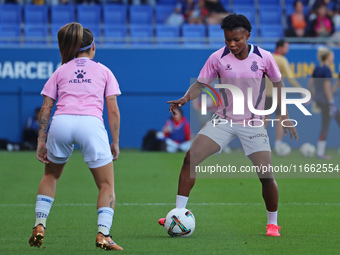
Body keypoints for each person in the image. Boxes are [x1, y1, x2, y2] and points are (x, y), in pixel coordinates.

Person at [158, 14, 298, 237]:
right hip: (223, 120)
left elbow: (278, 84)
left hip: (253, 123)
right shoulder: (217, 58)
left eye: (236, 39)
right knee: (190, 158)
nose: (231, 44)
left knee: (266, 176)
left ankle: (272, 223)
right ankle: (178, 212)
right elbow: (200, 84)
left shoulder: (264, 57)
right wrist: (184, 99)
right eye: (227, 40)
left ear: (248, 35)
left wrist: (284, 114)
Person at [28, 23, 123, 251]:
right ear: (92, 47)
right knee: (106, 184)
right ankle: (103, 235)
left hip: (61, 122)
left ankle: (39, 226)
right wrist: (115, 141)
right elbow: (113, 110)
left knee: (51, 176)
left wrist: (41, 140)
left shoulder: (60, 70)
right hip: (90, 124)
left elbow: (46, 107)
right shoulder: (104, 70)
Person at [265, 39, 302, 154]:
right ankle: (278, 146)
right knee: (281, 120)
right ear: (280, 48)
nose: (288, 49)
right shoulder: (282, 60)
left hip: (265, 93)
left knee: (264, 121)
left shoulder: (267, 57)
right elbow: (290, 77)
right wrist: (301, 90)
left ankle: (257, 146)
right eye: (286, 47)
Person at [308, 46, 340, 159]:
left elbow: (310, 85)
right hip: (327, 102)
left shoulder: (316, 69)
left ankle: (320, 152)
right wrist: (331, 103)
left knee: (325, 124)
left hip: (321, 101)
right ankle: (320, 153)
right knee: (326, 125)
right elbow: (327, 89)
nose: (333, 57)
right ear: (328, 57)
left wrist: (314, 97)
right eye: (332, 55)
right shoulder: (327, 70)